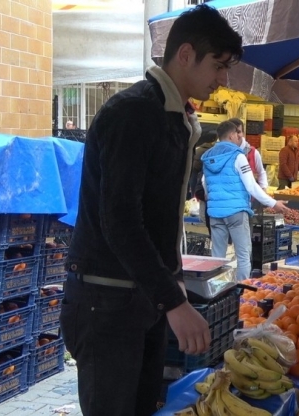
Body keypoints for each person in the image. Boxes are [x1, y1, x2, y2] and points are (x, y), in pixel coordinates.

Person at [60, 5, 243, 416]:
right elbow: (120, 221)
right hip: (105, 301)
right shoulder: (133, 114)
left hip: (142, 299)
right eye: (217, 65)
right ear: (184, 55)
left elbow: (156, 220)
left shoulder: (175, 118)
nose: (223, 80)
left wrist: (171, 285)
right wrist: (175, 303)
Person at [201, 121, 289, 281]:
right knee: (243, 254)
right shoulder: (238, 156)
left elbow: (204, 183)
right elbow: (251, 186)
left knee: (217, 256)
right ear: (231, 135)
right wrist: (273, 203)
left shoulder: (208, 158)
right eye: (237, 133)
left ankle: (218, 290)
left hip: (215, 212)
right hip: (236, 212)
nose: (240, 137)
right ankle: (241, 291)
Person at [229, 118, 267, 188]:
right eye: (233, 132)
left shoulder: (253, 153)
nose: (236, 135)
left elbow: (261, 172)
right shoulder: (221, 153)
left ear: (243, 133)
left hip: (249, 197)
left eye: (238, 132)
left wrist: (263, 188)